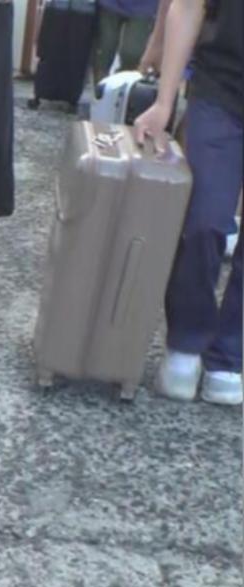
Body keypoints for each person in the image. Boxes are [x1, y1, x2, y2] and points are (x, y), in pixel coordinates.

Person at [134, 0, 241, 405]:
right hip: (221, 90)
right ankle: (186, 341)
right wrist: (165, 101)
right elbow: (187, 5)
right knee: (204, 219)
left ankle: (229, 355)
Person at [93, 0, 159, 83]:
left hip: (144, 7)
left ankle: (121, 84)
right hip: (109, 5)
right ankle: (99, 86)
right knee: (104, 50)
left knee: (133, 54)